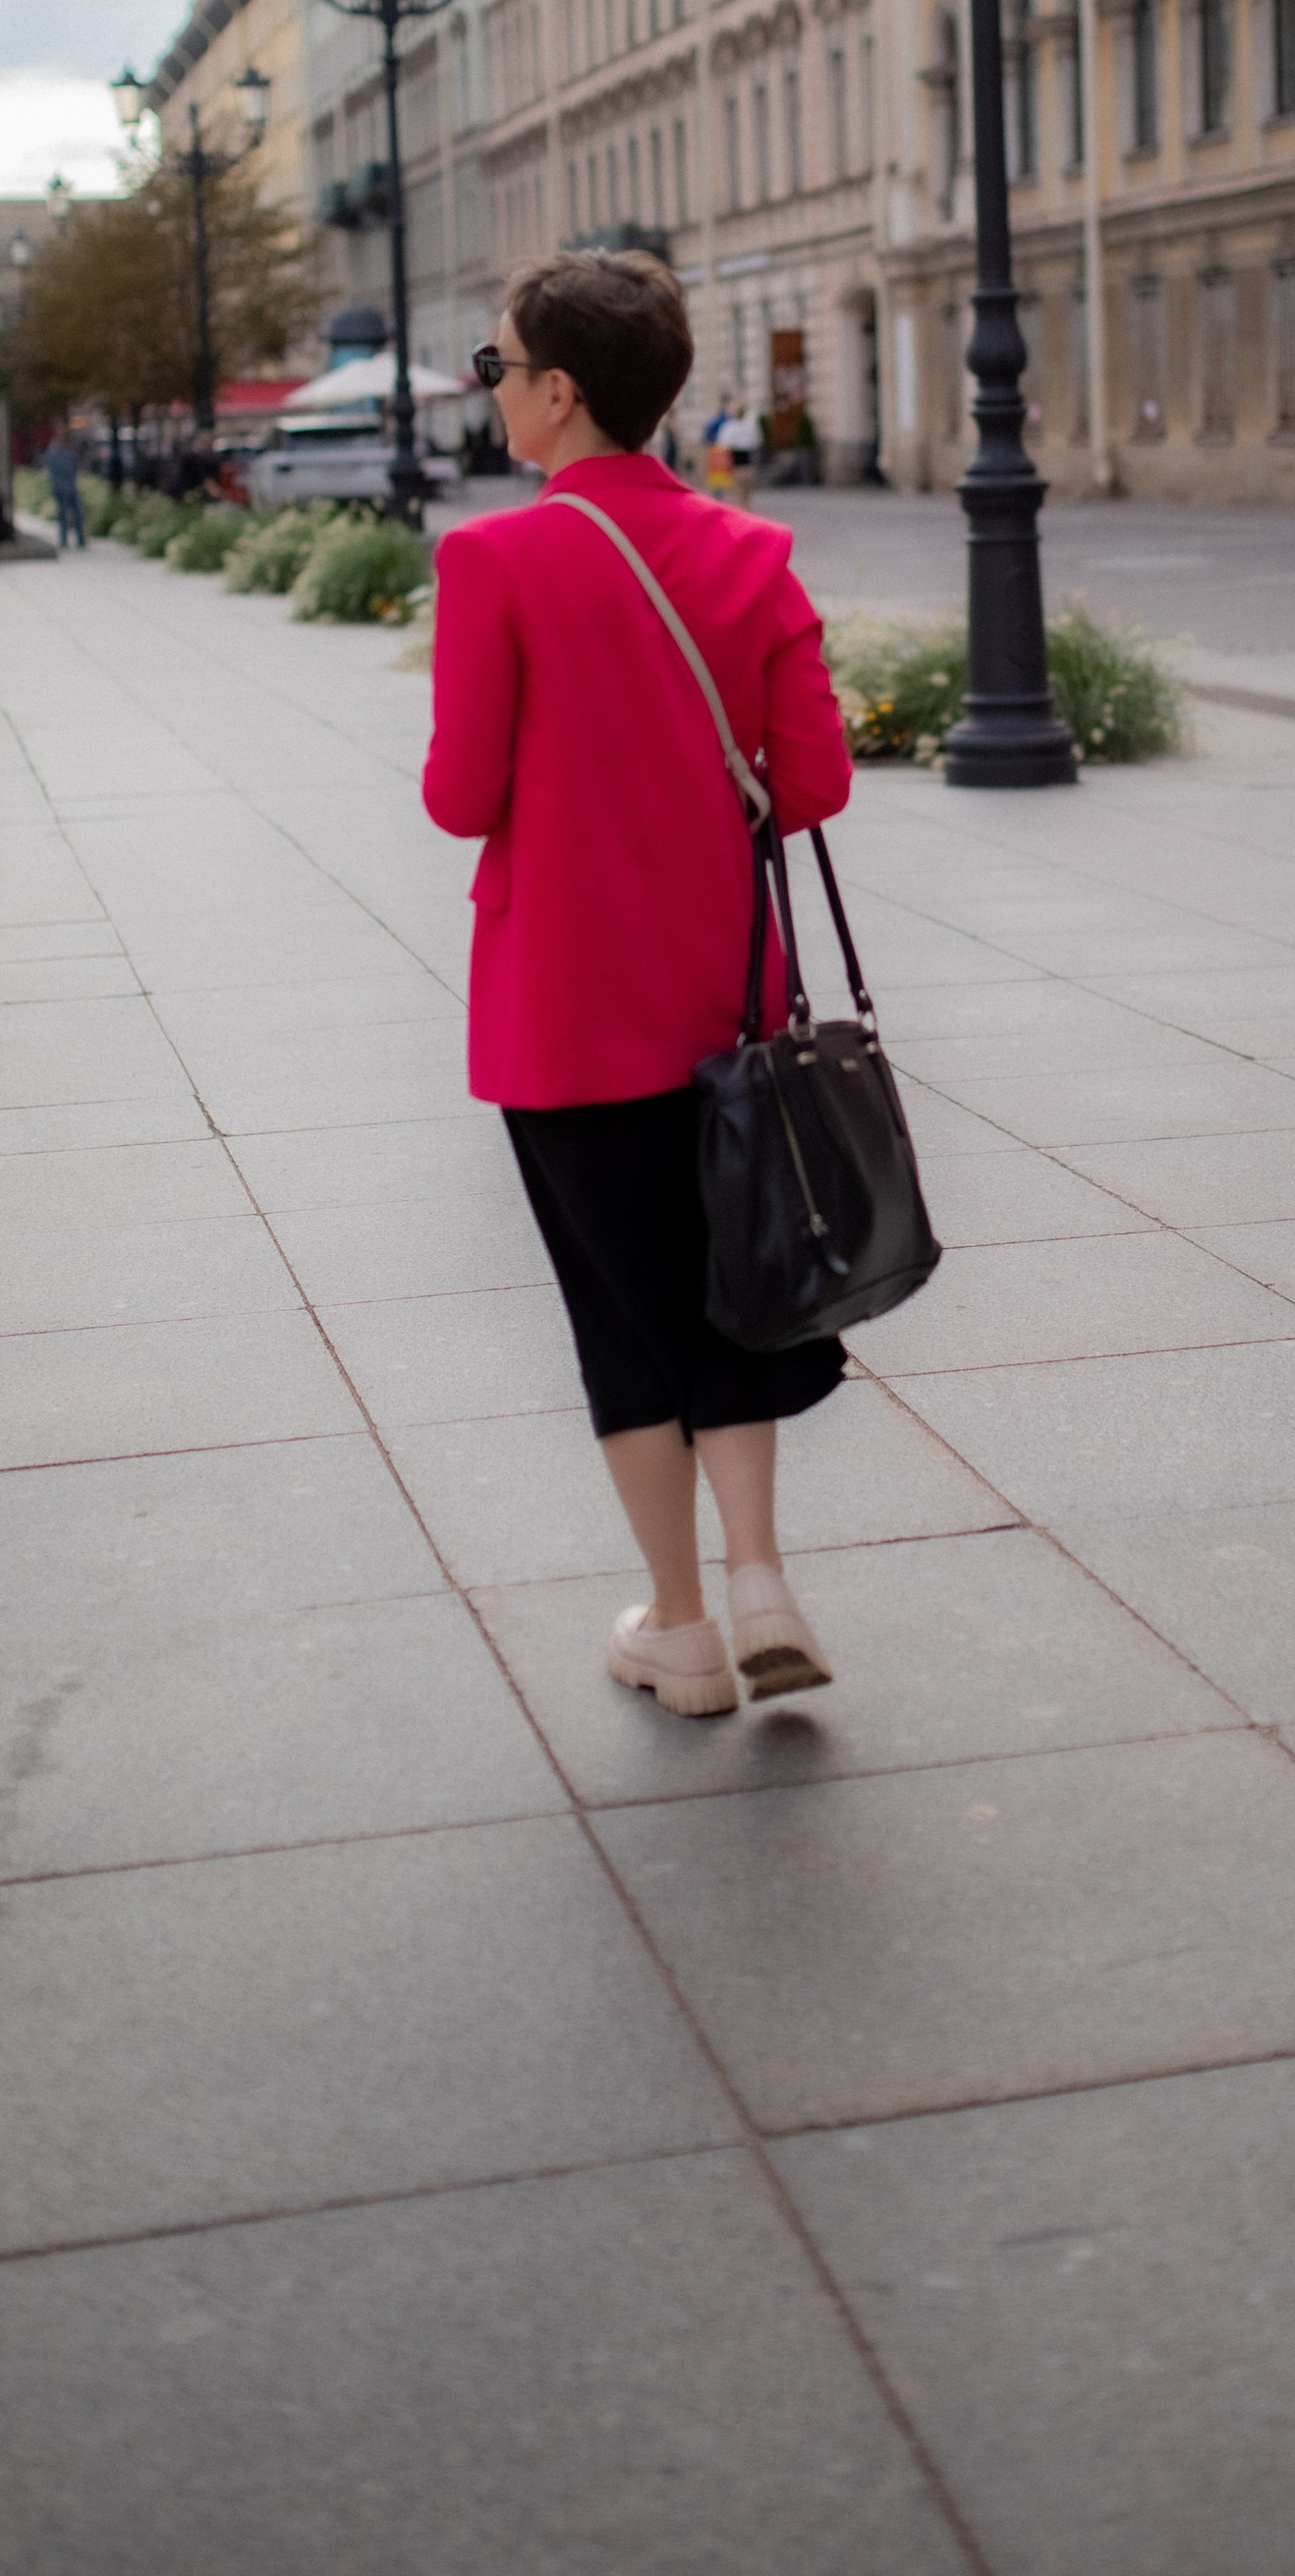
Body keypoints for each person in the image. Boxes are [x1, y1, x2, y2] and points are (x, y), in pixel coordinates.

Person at [425, 248, 853, 1718]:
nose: (487, 394)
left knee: (625, 1320)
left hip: (561, 1006)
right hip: (725, 998)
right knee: (730, 1294)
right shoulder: (751, 554)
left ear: (559, 392)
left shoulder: (492, 560)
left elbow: (457, 794)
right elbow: (810, 781)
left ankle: (678, 1626)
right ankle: (761, 1579)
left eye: (496, 369)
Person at [43, 430, 85, 548]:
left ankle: (80, 540)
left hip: (70, 487)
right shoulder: (54, 452)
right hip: (61, 487)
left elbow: (75, 467)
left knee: (76, 514)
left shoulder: (68, 451)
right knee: (63, 515)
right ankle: (64, 540)